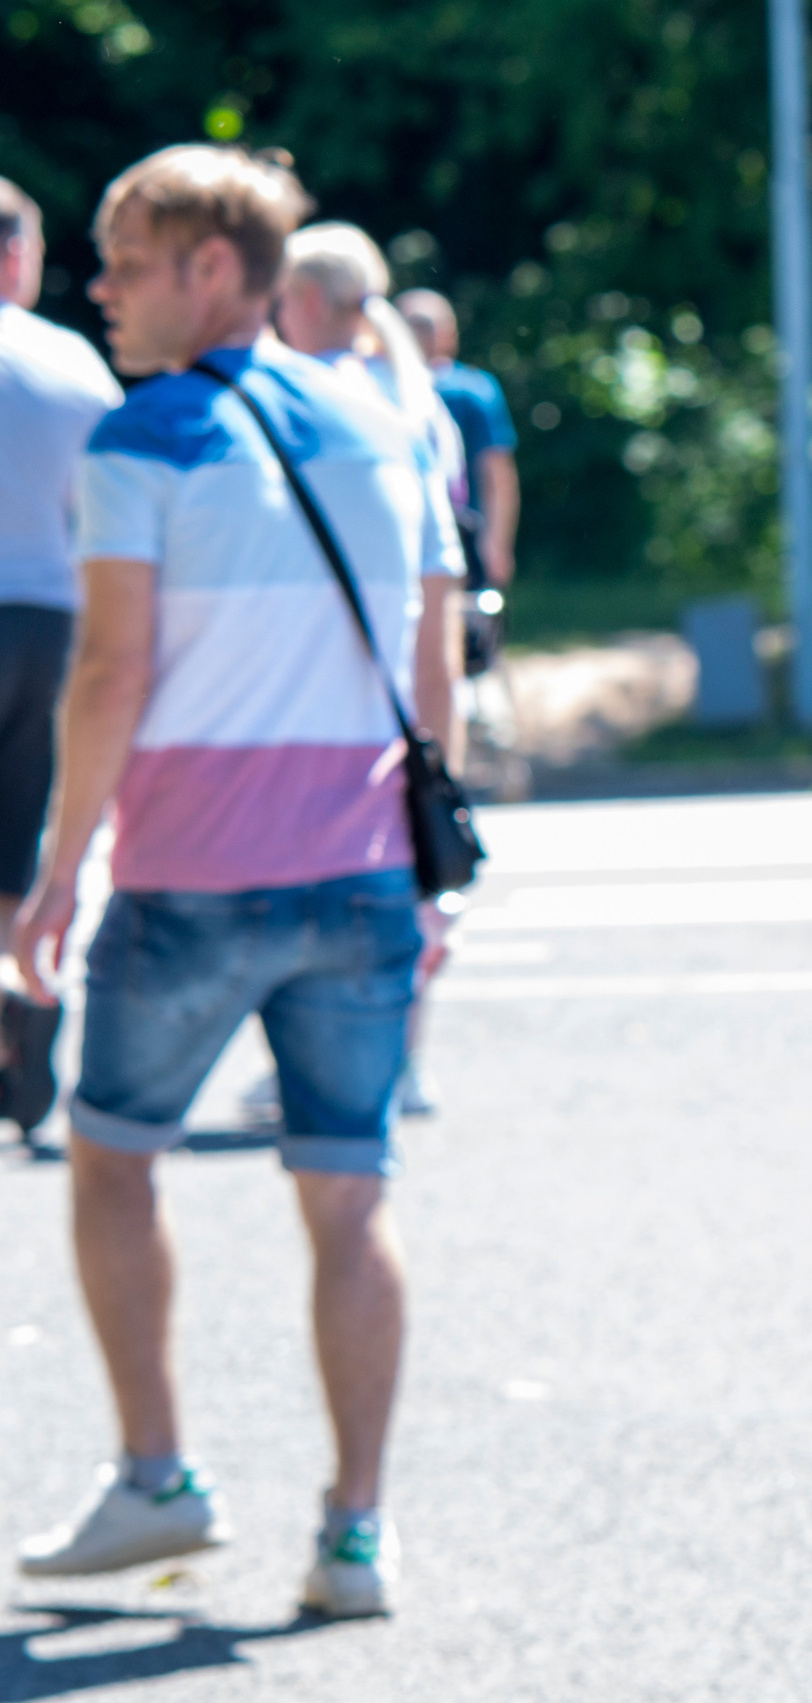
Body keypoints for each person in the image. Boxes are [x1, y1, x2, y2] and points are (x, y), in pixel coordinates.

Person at [11, 144, 464, 1620]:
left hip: (191, 876)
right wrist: (432, 865)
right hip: (362, 877)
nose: (103, 286)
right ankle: (355, 1532)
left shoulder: (146, 439)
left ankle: (158, 1473)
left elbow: (110, 670)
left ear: (216, 265)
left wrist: (55, 864)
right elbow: (434, 654)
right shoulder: (391, 428)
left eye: (127, 259)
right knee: (351, 1193)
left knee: (114, 1155)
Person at [272, 222, 464, 1120]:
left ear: (305, 300)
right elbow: (444, 582)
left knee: (315, 885)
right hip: (411, 666)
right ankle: (402, 1059)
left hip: (327, 679)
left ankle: (322, 1066)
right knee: (409, 874)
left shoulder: (314, 402)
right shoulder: (415, 397)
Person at [0, 178, 122, 1141]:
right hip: (52, 620)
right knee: (22, 834)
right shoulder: (74, 360)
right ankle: (26, 986)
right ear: (20, 256)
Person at [393, 287, 518, 597]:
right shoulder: (474, 389)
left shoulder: (377, 385)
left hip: (400, 530)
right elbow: (497, 473)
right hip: (461, 531)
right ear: (449, 334)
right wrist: (497, 542)